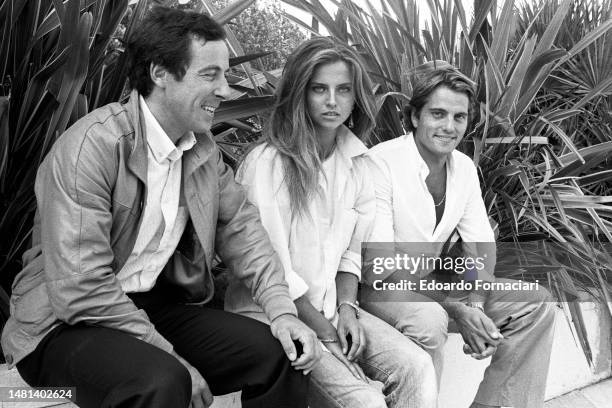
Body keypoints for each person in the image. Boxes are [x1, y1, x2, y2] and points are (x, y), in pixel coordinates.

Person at [1, 7, 320, 408]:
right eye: (210, 75)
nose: (226, 89)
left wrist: (282, 311)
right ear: (159, 73)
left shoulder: (202, 152)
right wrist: (171, 356)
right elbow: (80, 289)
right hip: (62, 324)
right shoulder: (92, 147)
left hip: (149, 306)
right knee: (162, 380)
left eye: (224, 74)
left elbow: (244, 233)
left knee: (279, 355)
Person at [225, 37, 437, 408]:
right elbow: (273, 270)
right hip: (273, 318)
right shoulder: (268, 164)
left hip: (328, 310)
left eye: (343, 90)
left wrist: (347, 310)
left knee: (415, 366)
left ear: (356, 98)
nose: (332, 101)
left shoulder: (358, 163)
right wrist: (327, 336)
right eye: (319, 89)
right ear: (298, 93)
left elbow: (350, 254)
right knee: (365, 402)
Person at [362, 63, 556, 408]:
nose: (449, 127)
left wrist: (476, 305)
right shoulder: (381, 164)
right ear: (415, 117)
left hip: (430, 283)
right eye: (438, 114)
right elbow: (379, 263)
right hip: (379, 287)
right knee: (430, 318)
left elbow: (480, 243)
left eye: (459, 117)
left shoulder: (464, 167)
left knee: (534, 302)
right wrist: (456, 309)